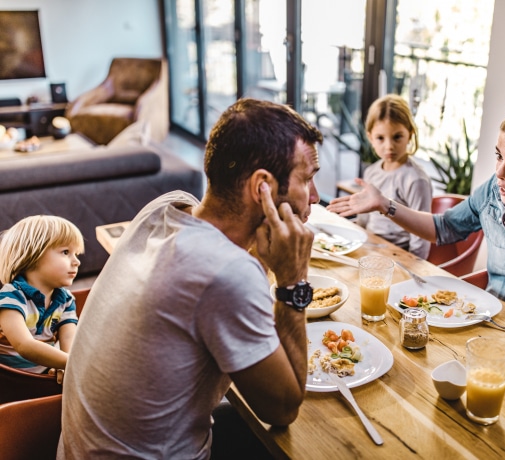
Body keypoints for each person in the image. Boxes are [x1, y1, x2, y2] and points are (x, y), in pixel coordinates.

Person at [58, 98, 323, 459]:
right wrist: (293, 282)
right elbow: (283, 410)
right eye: (307, 179)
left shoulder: (165, 208)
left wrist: (262, 260)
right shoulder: (226, 273)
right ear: (262, 187)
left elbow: (216, 279)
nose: (316, 196)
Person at [328, 103, 505, 343]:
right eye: (499, 156)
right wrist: (384, 204)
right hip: (492, 334)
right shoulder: (494, 192)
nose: (499, 172)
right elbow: (443, 228)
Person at [0, 215, 84, 379]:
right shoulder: (10, 297)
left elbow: (69, 341)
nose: (76, 262)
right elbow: (24, 345)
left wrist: (65, 366)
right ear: (32, 254)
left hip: (43, 377)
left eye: (77, 254)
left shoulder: (65, 300)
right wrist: (75, 364)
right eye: (66, 252)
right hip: (9, 380)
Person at [353, 94, 432, 259]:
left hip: (399, 255)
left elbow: (421, 235)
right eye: (380, 138)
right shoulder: (371, 172)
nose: (389, 146)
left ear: (410, 134)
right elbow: (364, 218)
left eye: (397, 137)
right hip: (370, 247)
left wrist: (416, 267)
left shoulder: (416, 180)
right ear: (370, 138)